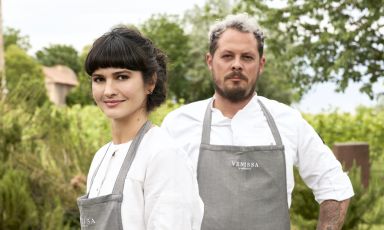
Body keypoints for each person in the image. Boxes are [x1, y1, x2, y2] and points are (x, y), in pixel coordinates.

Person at [161, 13, 354, 230]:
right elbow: (157, 199)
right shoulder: (178, 124)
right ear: (210, 61)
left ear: (261, 64)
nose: (237, 65)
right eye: (227, 56)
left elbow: (335, 186)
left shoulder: (288, 121)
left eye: (247, 57)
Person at [77, 26, 203, 230]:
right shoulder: (101, 157)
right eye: (99, 79)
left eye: (122, 77)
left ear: (150, 82)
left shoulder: (163, 155)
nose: (108, 91)